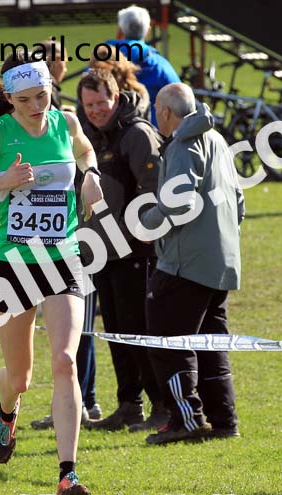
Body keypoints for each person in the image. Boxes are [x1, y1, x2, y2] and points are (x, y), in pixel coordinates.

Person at [0, 49, 104, 495]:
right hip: (13, 265)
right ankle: (6, 412)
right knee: (20, 378)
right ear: (11, 99)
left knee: (66, 362)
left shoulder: (66, 123)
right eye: (25, 100)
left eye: (42, 96)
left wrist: (90, 174)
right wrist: (1, 181)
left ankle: (68, 475)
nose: (36, 106)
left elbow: (85, 149)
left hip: (62, 259)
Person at [140, 83, 244, 445]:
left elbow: (180, 204)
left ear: (166, 112)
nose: (155, 115)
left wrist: (147, 222)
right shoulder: (217, 140)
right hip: (222, 260)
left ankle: (186, 419)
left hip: (186, 263)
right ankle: (224, 420)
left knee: (167, 341)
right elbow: (239, 201)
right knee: (211, 343)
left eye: (156, 109)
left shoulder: (184, 144)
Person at [75, 69, 167, 433]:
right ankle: (129, 405)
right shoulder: (87, 137)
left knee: (138, 331)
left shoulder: (137, 134)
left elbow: (156, 188)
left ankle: (162, 406)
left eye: (101, 102)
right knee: (114, 332)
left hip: (135, 253)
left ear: (116, 97)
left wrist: (139, 232)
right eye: (89, 105)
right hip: (101, 253)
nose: (96, 110)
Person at [30, 41, 102, 431]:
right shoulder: (32, 112)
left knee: (77, 329)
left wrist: (90, 176)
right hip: (38, 239)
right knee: (62, 335)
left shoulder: (62, 115)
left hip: (71, 235)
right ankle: (75, 400)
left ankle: (85, 400)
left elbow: (84, 154)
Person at [106, 5, 180, 125]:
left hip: (109, 132)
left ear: (120, 30)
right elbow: (180, 99)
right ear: (147, 31)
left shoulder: (103, 60)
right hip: (151, 131)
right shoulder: (159, 65)